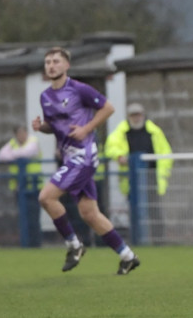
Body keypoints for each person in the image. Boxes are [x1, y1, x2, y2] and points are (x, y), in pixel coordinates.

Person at [32, 47, 140, 275]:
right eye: (48, 62)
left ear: (66, 66)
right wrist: (42, 127)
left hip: (83, 156)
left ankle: (74, 244)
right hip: (70, 158)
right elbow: (56, 126)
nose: (51, 65)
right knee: (89, 213)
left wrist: (86, 129)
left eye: (56, 61)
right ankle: (127, 256)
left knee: (46, 197)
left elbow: (108, 107)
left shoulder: (78, 89)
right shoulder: (45, 97)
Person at [105, 103, 173, 243]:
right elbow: (110, 147)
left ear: (143, 115)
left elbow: (165, 152)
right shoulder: (121, 131)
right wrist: (119, 156)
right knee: (135, 209)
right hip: (132, 178)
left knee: (155, 210)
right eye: (133, 115)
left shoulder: (154, 131)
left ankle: (159, 239)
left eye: (138, 115)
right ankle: (137, 239)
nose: (136, 118)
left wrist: (164, 173)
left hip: (151, 176)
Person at [0, 125, 43, 246]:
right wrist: (18, 154)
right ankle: (25, 244)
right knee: (23, 218)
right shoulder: (13, 143)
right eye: (19, 134)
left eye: (23, 133)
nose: (21, 136)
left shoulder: (33, 141)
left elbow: (27, 153)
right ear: (16, 135)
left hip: (33, 186)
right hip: (19, 187)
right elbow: (1, 155)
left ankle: (35, 244)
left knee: (34, 218)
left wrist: (13, 155)